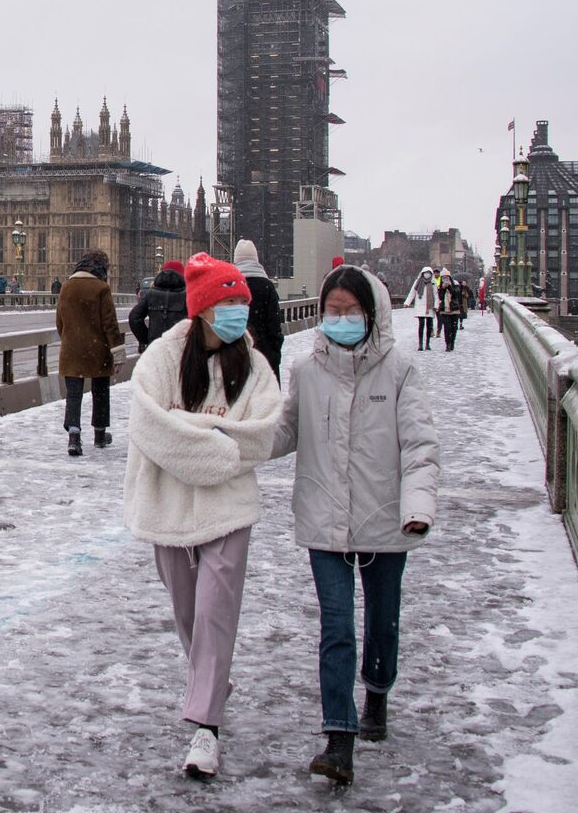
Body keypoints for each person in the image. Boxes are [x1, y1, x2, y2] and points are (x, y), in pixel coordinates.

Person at [274, 263, 440, 785]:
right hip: (324, 516)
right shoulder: (305, 369)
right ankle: (339, 738)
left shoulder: (400, 370)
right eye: (332, 312)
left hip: (385, 516)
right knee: (337, 628)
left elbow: (419, 446)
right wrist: (228, 445)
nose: (339, 320)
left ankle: (378, 689)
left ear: (372, 314)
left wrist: (417, 507)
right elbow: (283, 432)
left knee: (382, 623)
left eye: (349, 312)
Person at [125, 252, 284, 780]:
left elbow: (260, 435)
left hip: (228, 506)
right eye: (232, 301)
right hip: (166, 501)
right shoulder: (162, 360)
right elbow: (150, 427)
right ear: (204, 308)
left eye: (243, 300)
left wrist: (186, 430)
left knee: (216, 608)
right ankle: (212, 679)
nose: (242, 309)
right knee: (189, 611)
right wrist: (217, 443)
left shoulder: (254, 366)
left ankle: (205, 728)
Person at [56, 249, 120, 455]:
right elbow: (110, 324)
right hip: (98, 350)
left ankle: (74, 438)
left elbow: (60, 322)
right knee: (100, 392)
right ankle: (100, 434)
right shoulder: (101, 288)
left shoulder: (66, 286)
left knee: (73, 395)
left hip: (72, 350)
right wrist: (117, 351)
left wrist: (70, 339)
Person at [233, 240, 286, 381]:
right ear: (256, 259)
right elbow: (275, 327)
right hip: (265, 356)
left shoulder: (231, 286)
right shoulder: (267, 286)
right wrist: (274, 355)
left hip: (236, 357)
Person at [128, 260, 188, 353]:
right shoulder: (188, 296)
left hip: (155, 349)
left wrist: (147, 338)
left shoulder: (151, 294)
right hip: (180, 349)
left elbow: (134, 318)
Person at [402, 267, 437, 351]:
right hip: (420, 306)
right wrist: (407, 302)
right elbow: (412, 292)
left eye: (428, 273)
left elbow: (436, 295)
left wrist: (436, 305)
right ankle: (420, 344)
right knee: (421, 325)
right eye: (425, 273)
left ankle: (427, 344)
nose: (427, 274)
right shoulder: (418, 282)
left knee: (429, 326)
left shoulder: (433, 282)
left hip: (430, 307)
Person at [436, 273, 465, 351]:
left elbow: (456, 295)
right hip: (445, 310)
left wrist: (449, 287)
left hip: (454, 309)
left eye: (446, 278)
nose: (445, 280)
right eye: (443, 278)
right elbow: (440, 297)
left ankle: (452, 342)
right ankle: (448, 344)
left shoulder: (455, 285)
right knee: (447, 327)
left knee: (454, 328)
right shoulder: (440, 286)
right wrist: (443, 288)